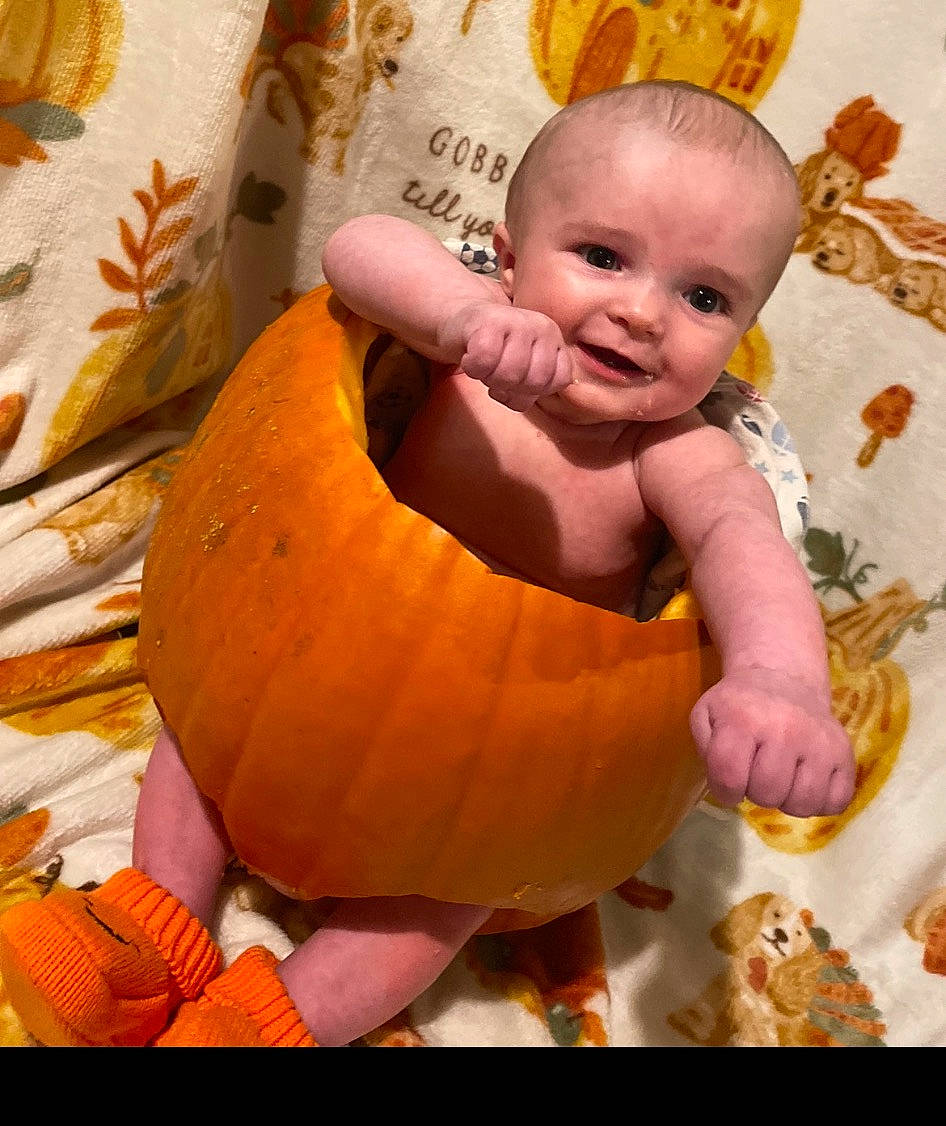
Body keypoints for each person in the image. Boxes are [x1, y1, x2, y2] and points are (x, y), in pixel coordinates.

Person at [0, 81, 856, 1048]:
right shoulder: (463, 332)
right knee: (199, 734)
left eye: (704, 296)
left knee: (447, 898)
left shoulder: (671, 451)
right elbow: (359, 248)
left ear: (744, 331)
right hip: (305, 659)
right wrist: (457, 315)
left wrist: (780, 679)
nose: (642, 312)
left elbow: (741, 538)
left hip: (485, 768)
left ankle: (271, 1019)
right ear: (511, 250)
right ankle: (152, 928)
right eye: (603, 257)